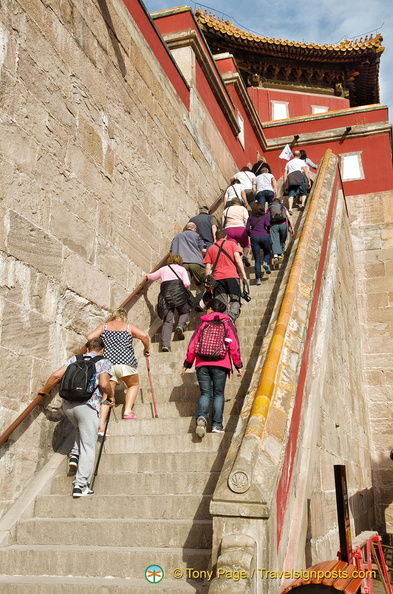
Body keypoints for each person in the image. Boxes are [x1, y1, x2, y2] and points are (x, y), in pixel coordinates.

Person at [38, 337, 113, 497]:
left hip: (68, 406)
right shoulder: (103, 361)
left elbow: (56, 375)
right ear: (102, 350)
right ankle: (81, 485)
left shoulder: (75, 359)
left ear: (87, 349)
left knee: (80, 429)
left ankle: (74, 454)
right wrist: (111, 397)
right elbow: (105, 384)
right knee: (89, 446)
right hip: (88, 406)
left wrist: (44, 391)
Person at [180, 298, 243, 436]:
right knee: (218, 394)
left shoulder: (203, 324)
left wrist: (187, 364)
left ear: (210, 309)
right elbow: (234, 346)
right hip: (221, 363)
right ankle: (216, 425)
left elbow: (192, 345)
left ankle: (201, 418)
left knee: (205, 394)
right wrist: (238, 365)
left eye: (207, 307)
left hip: (202, 363)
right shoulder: (227, 324)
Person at [87, 308, 150, 422]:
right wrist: (146, 349)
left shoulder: (104, 326)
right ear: (124, 317)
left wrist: (103, 344)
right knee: (133, 385)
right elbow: (144, 336)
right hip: (126, 362)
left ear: (113, 316)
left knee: (107, 395)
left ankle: (101, 424)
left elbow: (90, 337)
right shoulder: (128, 326)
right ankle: (127, 411)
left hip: (108, 364)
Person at [147, 254, 191, 352]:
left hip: (165, 295)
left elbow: (151, 277)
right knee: (184, 312)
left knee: (167, 321)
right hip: (179, 293)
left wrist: (147, 276)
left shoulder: (163, 269)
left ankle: (165, 345)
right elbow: (187, 283)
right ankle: (180, 325)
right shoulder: (182, 269)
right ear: (180, 261)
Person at [203, 228, 247, 322]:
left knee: (221, 303)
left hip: (217, 279)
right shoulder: (232, 244)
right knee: (235, 299)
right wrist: (243, 274)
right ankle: (231, 317)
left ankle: (224, 320)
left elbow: (208, 266)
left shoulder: (211, 248)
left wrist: (207, 280)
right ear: (225, 236)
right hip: (232, 276)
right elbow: (238, 259)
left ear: (216, 237)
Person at [170, 222, 206, 307]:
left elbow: (171, 253)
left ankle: (184, 303)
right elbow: (203, 250)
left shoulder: (177, 236)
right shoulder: (197, 236)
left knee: (185, 284)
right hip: (196, 262)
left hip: (181, 263)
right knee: (202, 282)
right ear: (194, 229)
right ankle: (197, 302)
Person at [246, 202, 272, 285]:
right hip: (264, 236)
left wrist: (251, 235)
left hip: (254, 237)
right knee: (267, 252)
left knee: (257, 259)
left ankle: (258, 279)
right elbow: (268, 225)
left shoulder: (250, 218)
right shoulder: (265, 217)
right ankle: (265, 262)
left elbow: (247, 229)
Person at [222, 197, 250, 266]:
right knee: (246, 244)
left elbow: (223, 222)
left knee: (233, 247)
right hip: (241, 228)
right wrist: (248, 229)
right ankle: (245, 255)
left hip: (229, 229)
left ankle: (236, 260)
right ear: (240, 203)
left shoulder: (226, 210)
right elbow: (246, 219)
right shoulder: (243, 209)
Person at [269, 197, 294, 267]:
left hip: (273, 225)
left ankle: (276, 255)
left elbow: (267, 217)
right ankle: (281, 253)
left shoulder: (270, 207)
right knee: (282, 239)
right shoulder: (282, 207)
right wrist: (292, 227)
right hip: (283, 225)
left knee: (275, 239)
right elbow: (289, 217)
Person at [283, 150, 311, 214]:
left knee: (291, 193)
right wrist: (308, 180)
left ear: (293, 155)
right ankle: (303, 205)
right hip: (299, 175)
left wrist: (285, 183)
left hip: (291, 177)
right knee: (303, 192)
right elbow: (305, 171)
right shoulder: (301, 161)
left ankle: (290, 208)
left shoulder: (288, 163)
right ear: (300, 155)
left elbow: (285, 173)